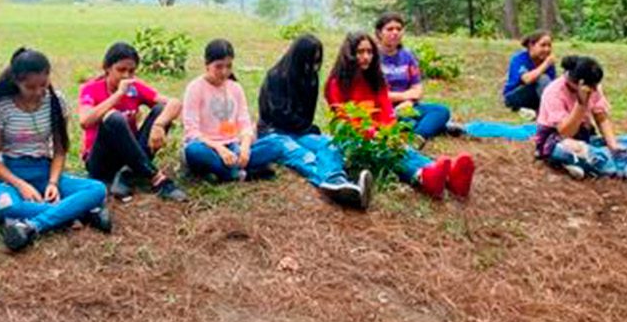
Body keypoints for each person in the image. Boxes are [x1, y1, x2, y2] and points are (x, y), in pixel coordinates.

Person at [0, 48, 110, 252]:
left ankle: (31, 225)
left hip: (44, 170)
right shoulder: (0, 107)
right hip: (11, 175)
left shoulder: (55, 101)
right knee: (5, 206)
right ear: (16, 81)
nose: (39, 92)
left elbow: (59, 151)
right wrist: (21, 186)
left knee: (97, 189)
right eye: (30, 87)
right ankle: (76, 212)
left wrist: (53, 183)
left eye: (43, 84)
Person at [324, 32, 475, 199]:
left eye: (369, 52)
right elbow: (344, 118)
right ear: (349, 54)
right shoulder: (336, 83)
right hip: (353, 139)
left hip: (379, 135)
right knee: (386, 154)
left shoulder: (376, 80)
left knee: (403, 150)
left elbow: (386, 112)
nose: (366, 56)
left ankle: (449, 176)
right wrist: (374, 136)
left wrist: (390, 135)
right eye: (360, 52)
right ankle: (421, 176)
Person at [255, 35, 372, 209]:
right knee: (302, 155)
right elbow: (276, 114)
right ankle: (335, 183)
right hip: (275, 131)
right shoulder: (276, 77)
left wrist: (307, 129)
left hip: (301, 130)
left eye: (316, 61)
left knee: (329, 145)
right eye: (309, 61)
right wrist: (306, 127)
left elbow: (308, 114)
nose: (313, 66)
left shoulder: (311, 78)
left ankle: (338, 183)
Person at [77, 42, 185, 202]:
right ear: (106, 68)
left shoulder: (135, 88)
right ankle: (156, 177)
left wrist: (159, 124)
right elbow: (85, 121)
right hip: (100, 161)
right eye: (121, 70)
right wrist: (118, 95)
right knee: (114, 118)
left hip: (129, 156)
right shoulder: (91, 89)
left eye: (131, 71)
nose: (126, 76)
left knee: (161, 110)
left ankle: (126, 174)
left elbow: (175, 103)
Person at [535, 55, 627, 181]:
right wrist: (581, 104)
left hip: (586, 137)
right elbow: (566, 132)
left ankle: (586, 163)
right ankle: (621, 170)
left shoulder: (593, 87)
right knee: (572, 149)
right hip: (557, 140)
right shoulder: (554, 92)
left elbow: (601, 118)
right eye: (592, 87)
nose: (595, 90)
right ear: (580, 83)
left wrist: (613, 146)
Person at [182, 39, 286, 182]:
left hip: (233, 145)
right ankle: (240, 173)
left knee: (277, 144)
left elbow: (244, 123)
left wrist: (244, 148)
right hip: (208, 147)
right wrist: (219, 148)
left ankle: (227, 172)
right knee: (193, 151)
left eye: (228, 66)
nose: (224, 72)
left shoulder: (235, 88)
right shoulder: (195, 88)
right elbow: (191, 132)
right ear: (207, 64)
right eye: (218, 67)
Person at [374, 12, 455, 141]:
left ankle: (417, 136)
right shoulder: (372, 57)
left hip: (409, 107)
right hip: (383, 109)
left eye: (399, 29)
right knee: (405, 121)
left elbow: (417, 89)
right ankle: (433, 128)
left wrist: (409, 102)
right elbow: (376, 94)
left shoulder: (408, 56)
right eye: (389, 29)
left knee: (441, 111)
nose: (395, 33)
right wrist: (405, 97)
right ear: (379, 33)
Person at [502, 31, 558, 114]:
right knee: (542, 78)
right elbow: (527, 79)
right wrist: (546, 64)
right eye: (543, 45)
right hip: (514, 96)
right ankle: (551, 110)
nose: (547, 49)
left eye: (549, 46)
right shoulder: (519, 58)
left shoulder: (547, 61)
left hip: (536, 96)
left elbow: (551, 85)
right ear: (531, 45)